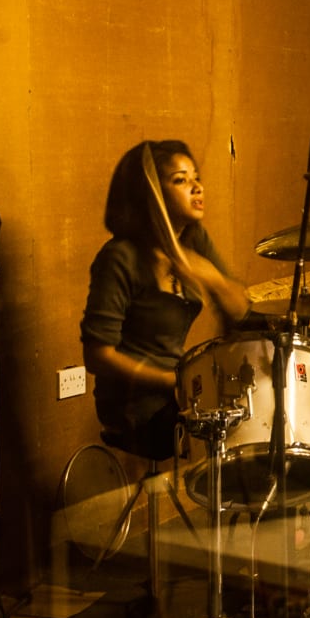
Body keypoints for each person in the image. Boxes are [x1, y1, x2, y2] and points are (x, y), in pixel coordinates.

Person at [81, 140, 249, 462]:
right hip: (134, 407)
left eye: (196, 177)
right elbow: (97, 356)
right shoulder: (121, 258)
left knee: (261, 417)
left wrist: (212, 278)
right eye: (181, 180)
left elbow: (239, 309)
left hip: (177, 392)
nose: (197, 187)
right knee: (233, 434)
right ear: (152, 195)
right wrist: (175, 382)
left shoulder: (193, 239)